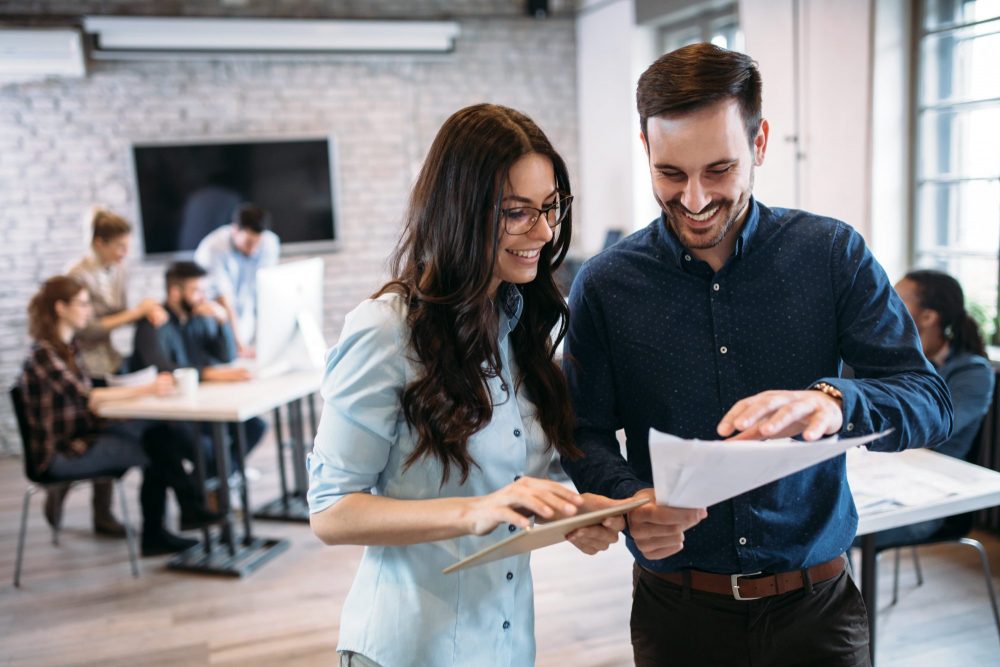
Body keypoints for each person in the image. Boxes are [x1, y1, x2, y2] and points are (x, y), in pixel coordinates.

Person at [561, 43, 954, 667]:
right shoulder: (606, 285)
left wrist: (835, 402)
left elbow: (929, 400)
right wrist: (629, 499)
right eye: (671, 174)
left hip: (816, 610)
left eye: (719, 170)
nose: (693, 200)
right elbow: (581, 429)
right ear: (645, 149)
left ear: (761, 143)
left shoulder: (831, 254)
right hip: (677, 614)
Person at [307, 103, 627, 667]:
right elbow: (331, 512)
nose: (545, 231)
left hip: (505, 645)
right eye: (517, 212)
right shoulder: (386, 331)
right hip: (406, 649)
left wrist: (574, 515)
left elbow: (513, 485)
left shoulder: (521, 327)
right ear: (460, 211)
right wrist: (472, 510)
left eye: (550, 207)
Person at [18, 276, 222, 556]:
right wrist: (146, 388)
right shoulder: (44, 354)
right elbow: (88, 398)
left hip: (84, 437)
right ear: (60, 308)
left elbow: (89, 396)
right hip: (64, 453)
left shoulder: (68, 349)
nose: (89, 311)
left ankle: (181, 514)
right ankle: (179, 515)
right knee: (157, 443)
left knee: (159, 433)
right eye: (83, 304)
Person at [46, 208, 169, 537]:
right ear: (99, 242)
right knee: (102, 432)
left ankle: (102, 512)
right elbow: (87, 328)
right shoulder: (77, 276)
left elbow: (120, 313)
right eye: (119, 246)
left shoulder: (118, 269)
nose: (125, 253)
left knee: (115, 431)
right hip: (85, 363)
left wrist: (147, 310)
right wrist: (134, 313)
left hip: (111, 359)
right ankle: (71, 489)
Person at [864, 270, 994, 546]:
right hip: (888, 478)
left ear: (928, 317)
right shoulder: (900, 360)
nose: (885, 303)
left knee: (837, 530)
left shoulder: (972, 372)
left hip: (931, 499)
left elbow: (933, 427)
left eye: (896, 298)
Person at [130, 261, 265, 478]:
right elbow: (160, 367)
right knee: (209, 450)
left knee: (255, 427)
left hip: (201, 406)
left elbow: (227, 356)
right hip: (168, 416)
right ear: (174, 292)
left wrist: (222, 321)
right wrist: (211, 374)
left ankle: (213, 485)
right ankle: (213, 488)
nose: (203, 297)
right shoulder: (154, 322)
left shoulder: (199, 317)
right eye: (196, 291)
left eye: (204, 290)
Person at [194, 203, 279, 358]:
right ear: (234, 230)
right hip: (217, 320)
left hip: (246, 315)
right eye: (248, 243)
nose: (253, 249)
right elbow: (224, 300)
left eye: (257, 243)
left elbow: (266, 289)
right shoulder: (213, 248)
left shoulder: (270, 242)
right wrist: (240, 346)